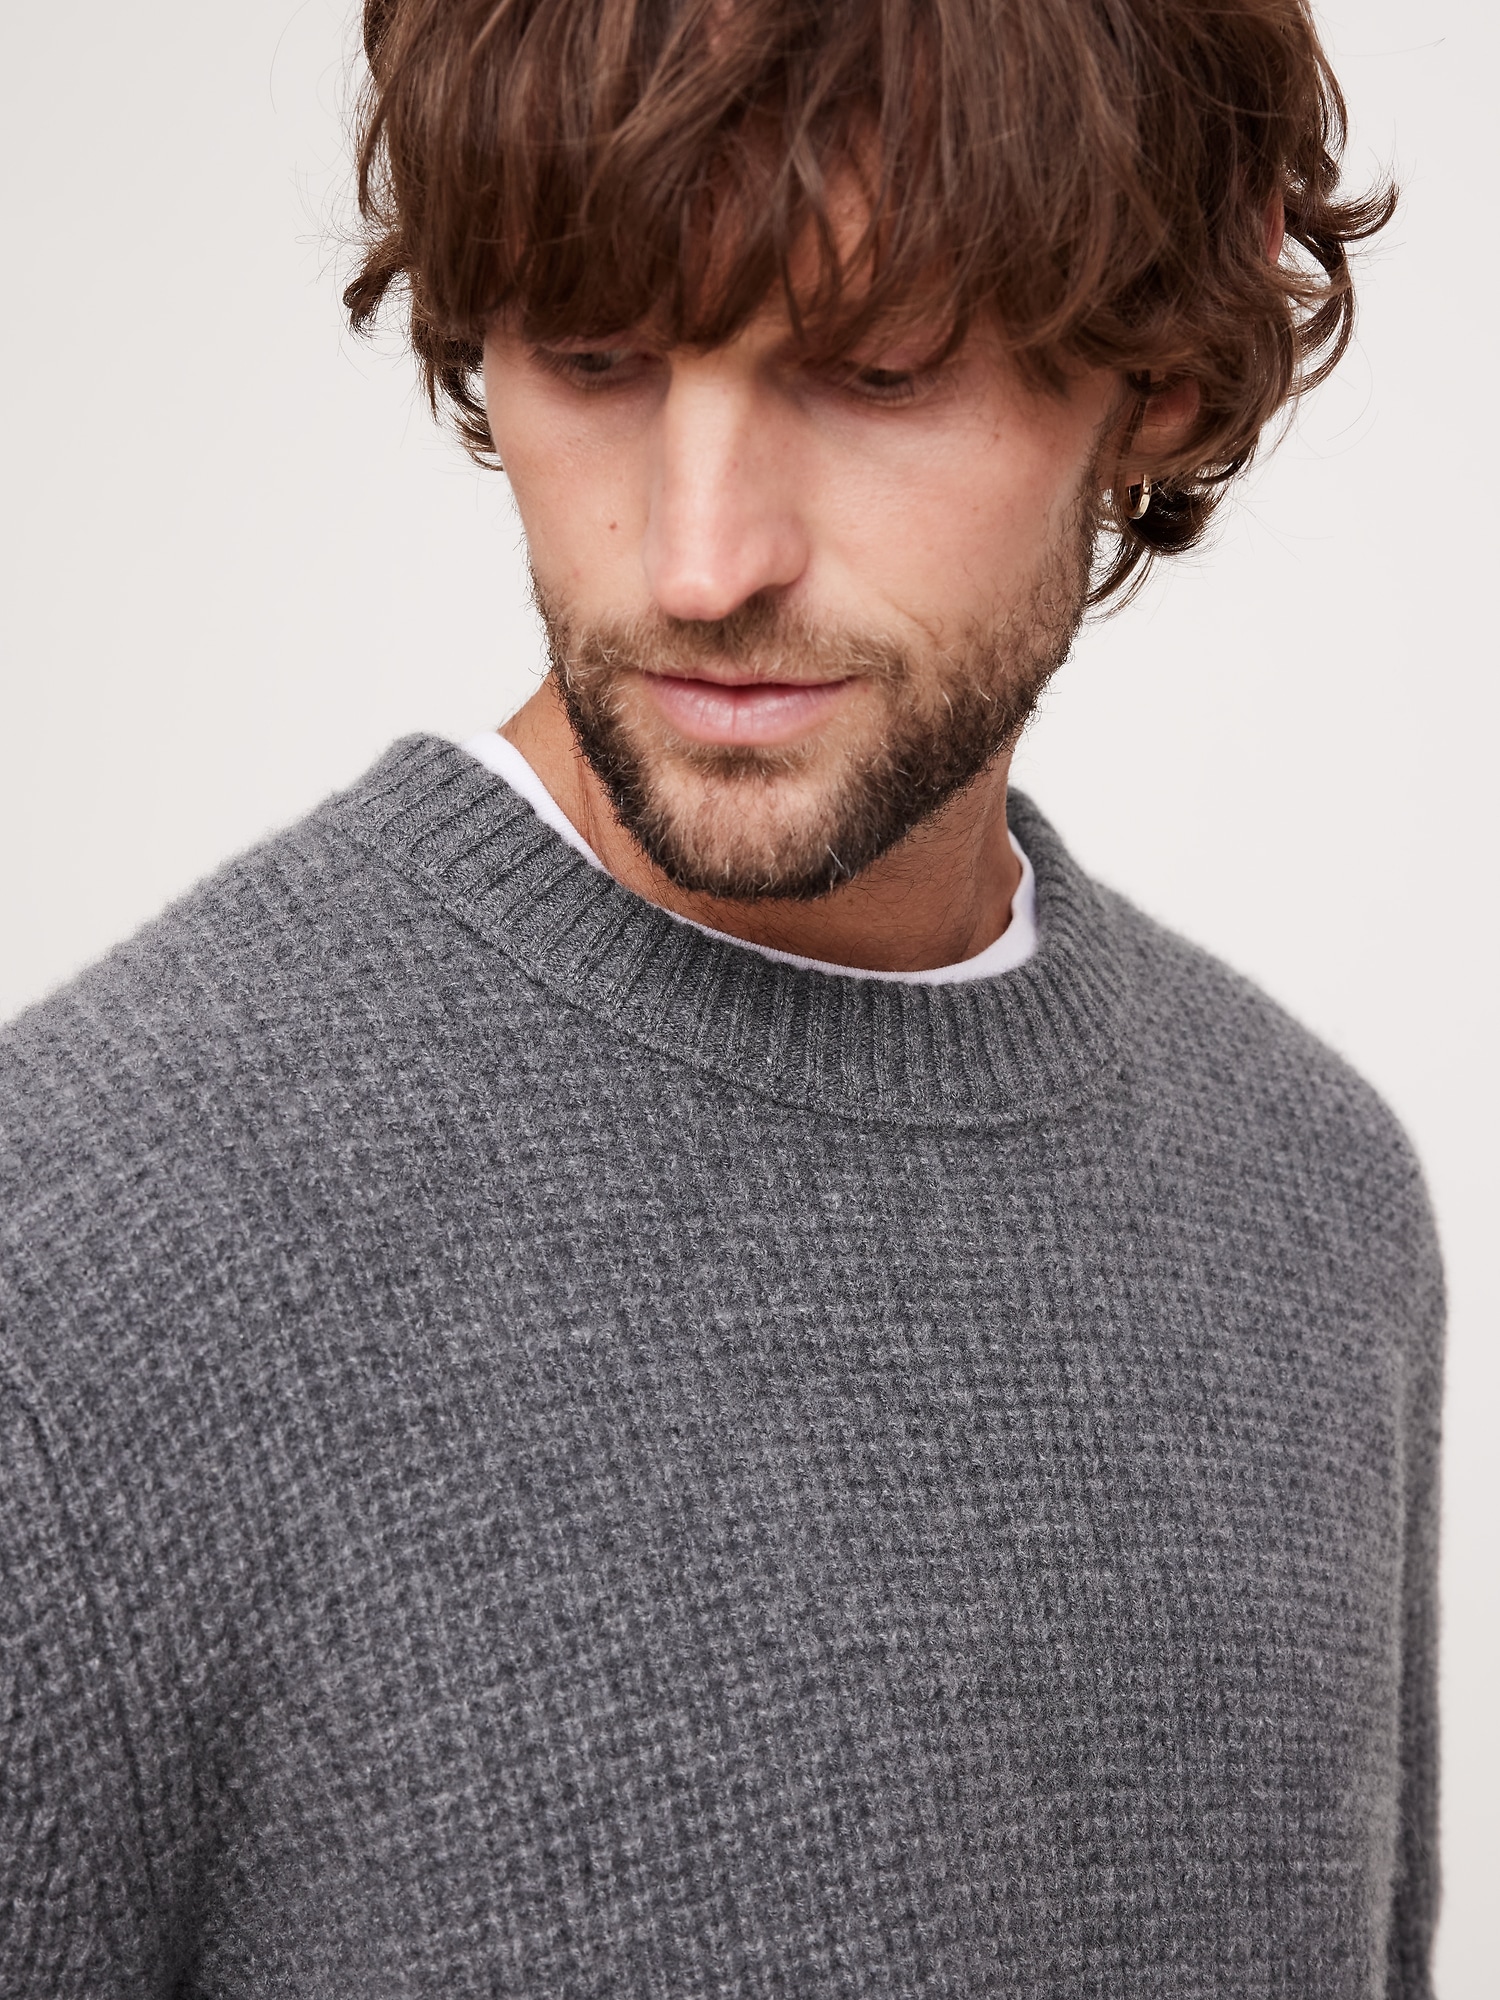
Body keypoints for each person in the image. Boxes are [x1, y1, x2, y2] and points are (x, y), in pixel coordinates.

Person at [0, 0, 1442, 1992]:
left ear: (1166, 375)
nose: (698, 561)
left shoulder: (1313, 1207)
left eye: (875, 367)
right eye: (593, 358)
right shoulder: (76, 1267)